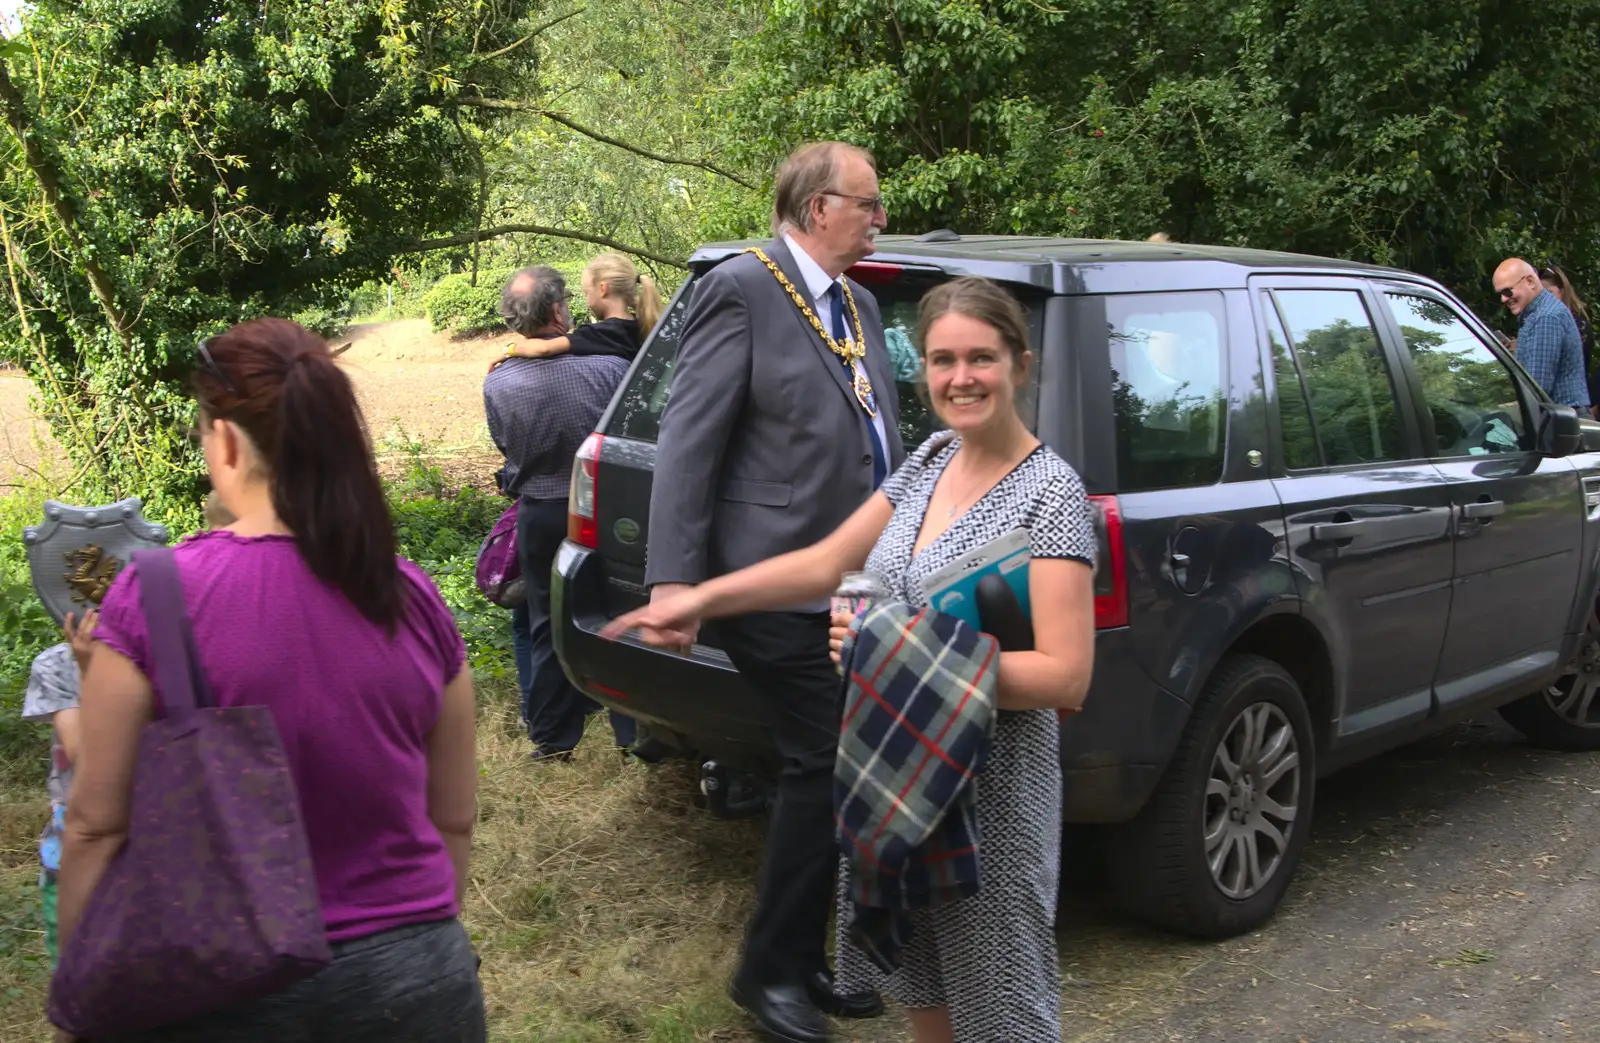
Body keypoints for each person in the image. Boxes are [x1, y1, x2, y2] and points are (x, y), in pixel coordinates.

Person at [606, 276, 1097, 1043]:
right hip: (900, 778)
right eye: (942, 360)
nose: (960, 378)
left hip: (992, 795)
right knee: (923, 990)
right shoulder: (932, 460)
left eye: (981, 358)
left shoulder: (1050, 493)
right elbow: (827, 560)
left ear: (1020, 365)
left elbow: (1067, 675)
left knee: (1003, 1008)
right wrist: (698, 598)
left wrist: (893, 651)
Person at [58, 319, 484, 1041]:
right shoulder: (412, 597)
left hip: (224, 982)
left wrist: (82, 996)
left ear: (225, 441)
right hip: (423, 979)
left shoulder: (153, 595)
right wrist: (407, 951)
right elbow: (454, 818)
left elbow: (97, 823)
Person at [642, 140, 901, 1042]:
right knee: (825, 759)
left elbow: (879, 439)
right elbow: (689, 439)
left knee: (840, 764)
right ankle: (767, 973)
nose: (879, 219)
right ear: (818, 206)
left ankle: (801, 955)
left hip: (855, 582)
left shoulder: (860, 303)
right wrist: (677, 579)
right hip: (772, 582)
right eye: (868, 205)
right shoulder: (743, 288)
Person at [484, 265, 636, 760]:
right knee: (618, 616)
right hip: (603, 512)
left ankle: (552, 739)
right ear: (556, 311)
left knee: (545, 621)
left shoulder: (498, 381)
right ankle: (633, 735)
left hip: (540, 514)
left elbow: (507, 450)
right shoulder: (610, 369)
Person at [22, 610, 95, 970]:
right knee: (74, 977)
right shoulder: (57, 663)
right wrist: (90, 669)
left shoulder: (166, 659)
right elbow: (84, 756)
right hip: (71, 854)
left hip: (154, 857)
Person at [489, 252, 664, 370]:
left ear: (603, 289)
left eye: (587, 292)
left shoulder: (599, 334)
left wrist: (509, 350)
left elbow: (544, 349)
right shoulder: (644, 325)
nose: (586, 301)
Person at [1493, 257, 1590, 412]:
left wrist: (1497, 409)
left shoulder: (1545, 318)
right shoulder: (1537, 313)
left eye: (1507, 291)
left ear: (1530, 281)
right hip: (1558, 418)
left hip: (1562, 424)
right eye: (1500, 294)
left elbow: (1536, 389)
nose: (1503, 299)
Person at [1539, 263, 1597, 417]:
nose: (1545, 299)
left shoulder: (1577, 323)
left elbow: (1556, 362)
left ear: (1562, 291)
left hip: (1571, 405)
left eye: (1549, 292)